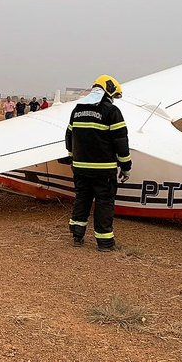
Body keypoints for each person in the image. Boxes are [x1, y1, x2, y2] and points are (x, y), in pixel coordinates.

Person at [61, 75, 131, 251]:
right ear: (109, 91)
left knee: (82, 199)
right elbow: (121, 142)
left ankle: (77, 235)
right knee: (104, 203)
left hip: (80, 168)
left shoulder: (77, 110)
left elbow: (69, 137)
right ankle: (105, 242)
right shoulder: (111, 111)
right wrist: (126, 166)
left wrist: (72, 158)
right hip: (103, 170)